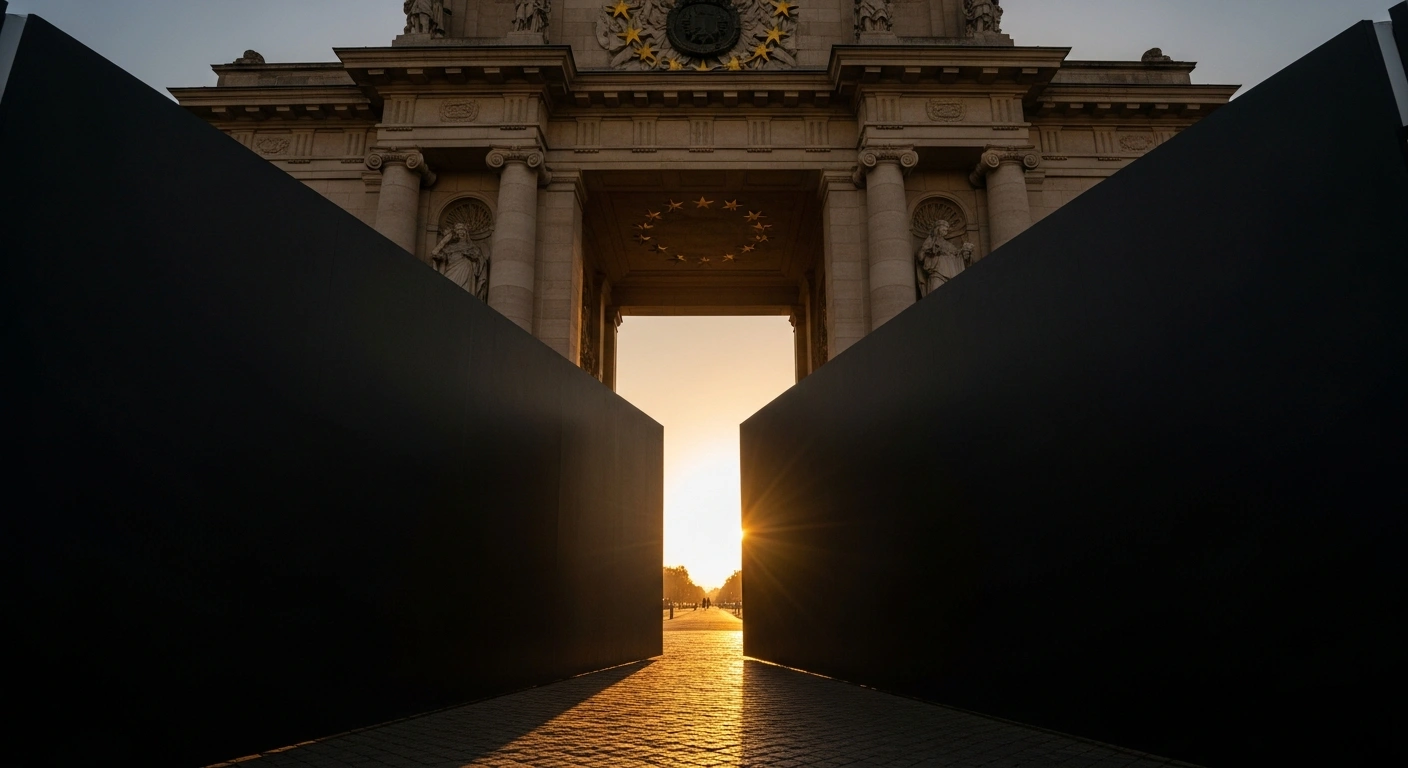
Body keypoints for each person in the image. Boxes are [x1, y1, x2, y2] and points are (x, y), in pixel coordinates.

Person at [431, 222, 489, 300]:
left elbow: (481, 263)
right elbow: (434, 253)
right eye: (458, 230)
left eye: (463, 229)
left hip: (467, 272)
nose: (461, 232)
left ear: (466, 232)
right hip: (451, 272)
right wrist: (445, 240)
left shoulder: (473, 247)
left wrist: (473, 258)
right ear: (455, 233)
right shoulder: (450, 247)